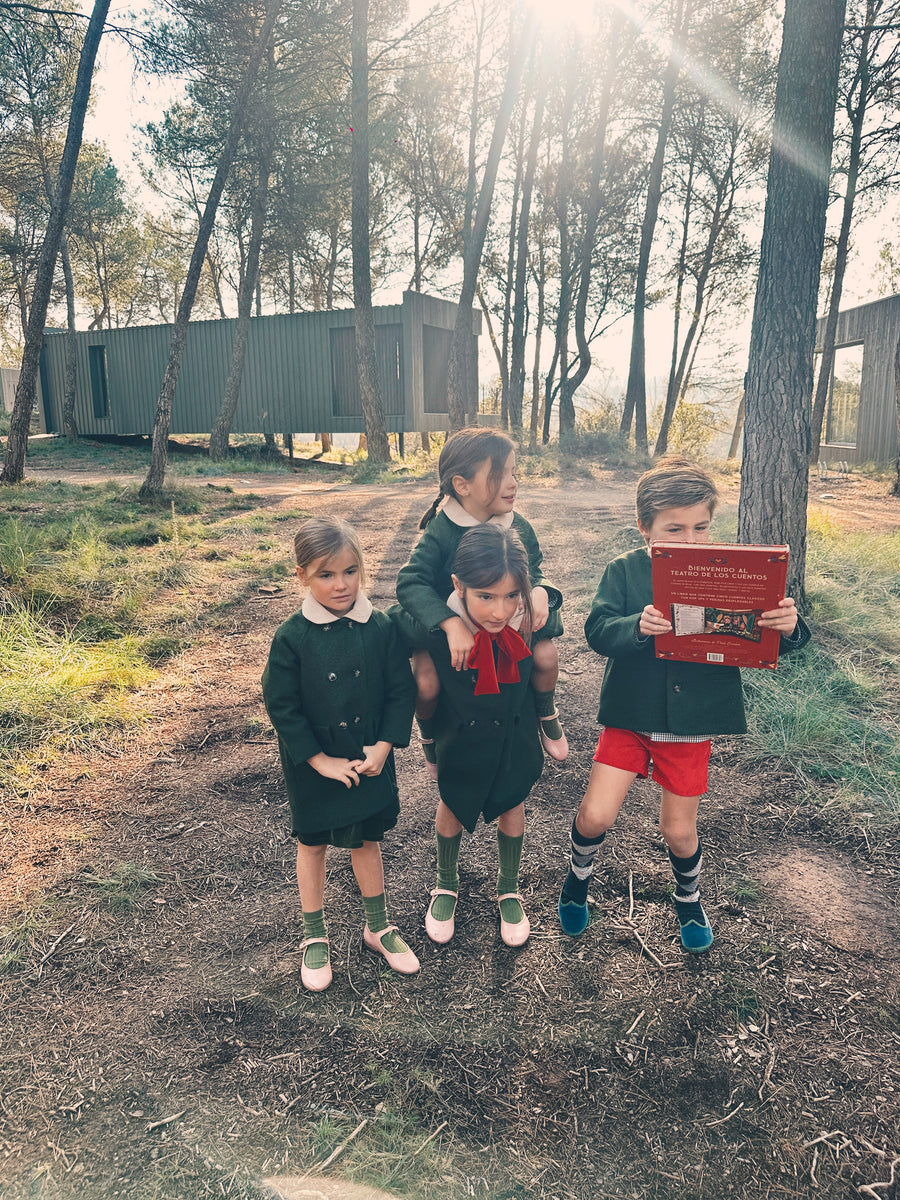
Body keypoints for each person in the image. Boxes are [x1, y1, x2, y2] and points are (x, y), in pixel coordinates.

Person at [557, 457, 811, 952]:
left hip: (691, 724)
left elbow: (769, 638)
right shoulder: (625, 571)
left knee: (678, 831)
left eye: (701, 527)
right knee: (596, 815)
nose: (691, 540)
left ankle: (689, 898)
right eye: (675, 529)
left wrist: (789, 627)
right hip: (631, 716)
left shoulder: (734, 574)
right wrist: (635, 627)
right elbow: (597, 630)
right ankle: (576, 881)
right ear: (645, 527)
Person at [262, 516, 419, 992]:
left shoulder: (381, 626)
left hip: (368, 755)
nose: (340, 584)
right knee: (312, 844)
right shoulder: (293, 636)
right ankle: (314, 935)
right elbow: (281, 704)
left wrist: (385, 746)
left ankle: (377, 926)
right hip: (315, 764)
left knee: (365, 840)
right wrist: (317, 760)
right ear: (302, 576)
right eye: (325, 575)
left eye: (350, 571)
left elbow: (400, 690)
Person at [395, 427, 566, 783]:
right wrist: (448, 623)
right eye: (500, 474)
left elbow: (534, 569)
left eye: (514, 473)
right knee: (425, 685)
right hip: (449, 627)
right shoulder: (441, 532)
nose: (513, 483)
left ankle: (545, 712)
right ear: (462, 484)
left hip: (503, 617)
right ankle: (429, 734)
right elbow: (410, 582)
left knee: (547, 658)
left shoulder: (517, 525)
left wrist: (540, 591)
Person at [420, 523, 545, 948]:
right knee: (452, 801)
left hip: (514, 733)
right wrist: (448, 622)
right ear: (459, 586)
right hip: (461, 738)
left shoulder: (528, 618)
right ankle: (446, 884)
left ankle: (508, 888)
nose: (499, 611)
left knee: (513, 801)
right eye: (485, 597)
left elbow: (551, 609)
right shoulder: (441, 627)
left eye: (512, 595)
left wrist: (547, 596)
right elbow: (400, 617)